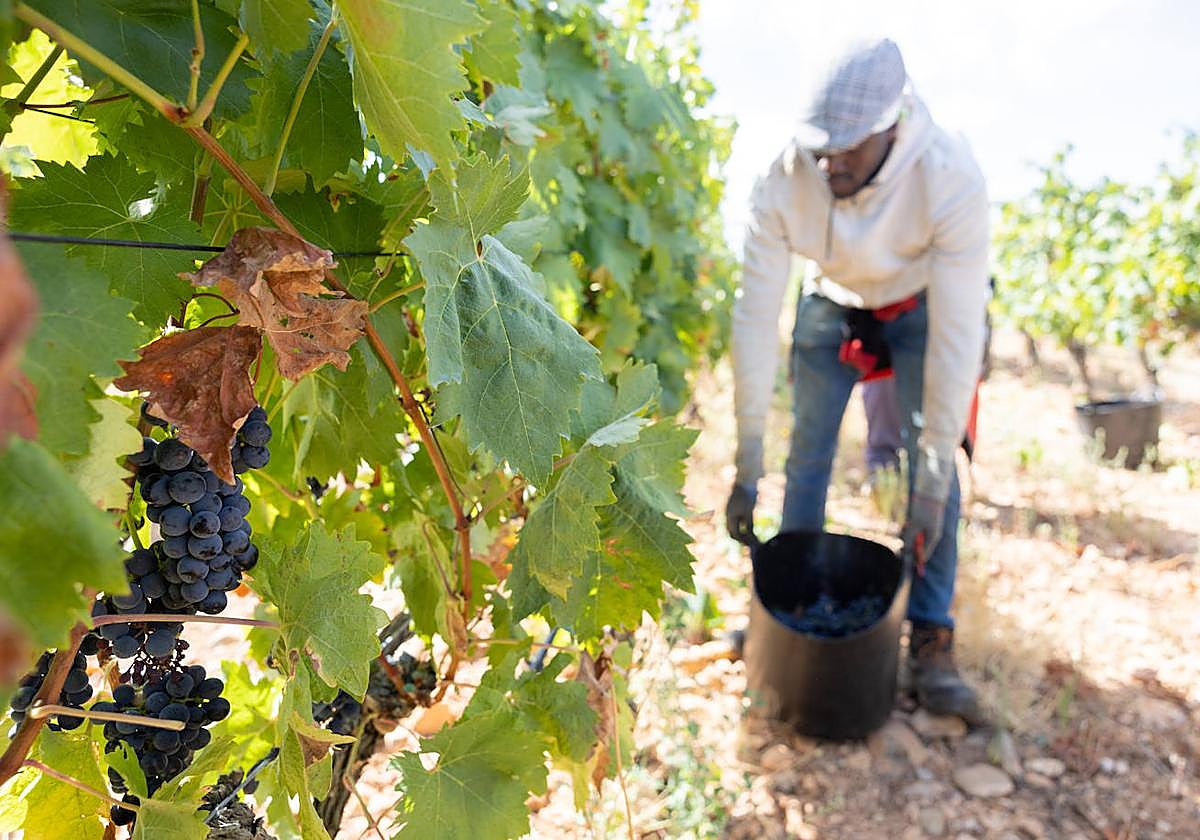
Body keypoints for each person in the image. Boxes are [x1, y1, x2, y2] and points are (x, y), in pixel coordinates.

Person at [725, 38, 989, 722]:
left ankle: (930, 640)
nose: (830, 163)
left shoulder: (949, 175)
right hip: (830, 298)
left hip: (918, 305)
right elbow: (755, 317)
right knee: (806, 454)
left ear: (892, 125)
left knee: (935, 475)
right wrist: (746, 461)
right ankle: (784, 610)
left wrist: (931, 479)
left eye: (848, 148)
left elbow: (958, 337)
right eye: (821, 147)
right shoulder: (783, 176)